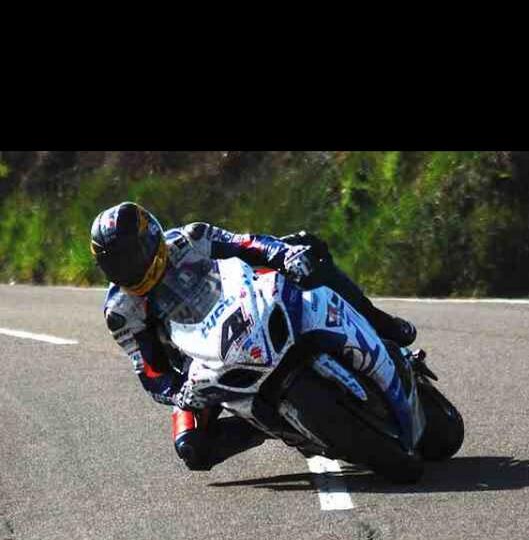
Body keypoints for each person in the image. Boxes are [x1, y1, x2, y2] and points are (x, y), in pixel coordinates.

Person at [90, 202, 418, 471]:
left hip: (246, 309)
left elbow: (247, 244)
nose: (127, 269)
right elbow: (150, 372)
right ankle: (264, 424)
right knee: (192, 450)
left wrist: (285, 255)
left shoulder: (191, 239)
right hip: (205, 369)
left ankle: (379, 323)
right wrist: (180, 393)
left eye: (131, 256)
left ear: (151, 239)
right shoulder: (121, 311)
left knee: (307, 248)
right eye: (115, 264)